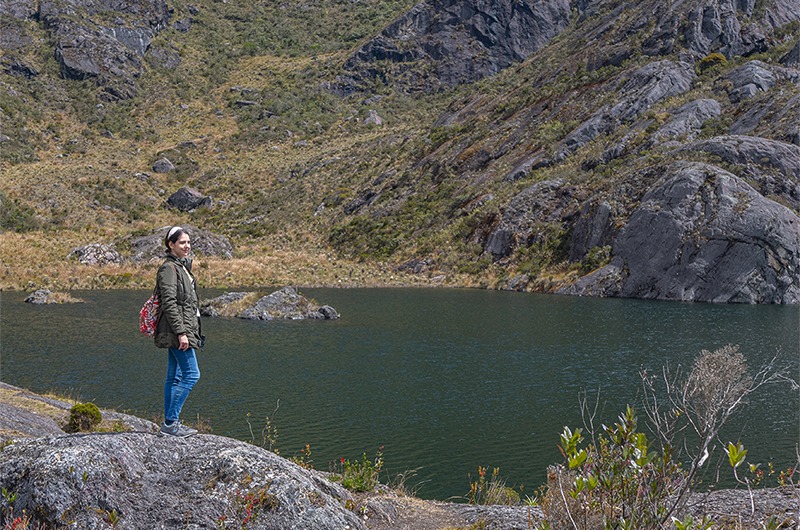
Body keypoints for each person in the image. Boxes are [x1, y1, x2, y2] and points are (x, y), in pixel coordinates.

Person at [154, 226, 204, 437]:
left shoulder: (182, 267)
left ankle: (169, 424)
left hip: (180, 329)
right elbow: (170, 303)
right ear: (171, 244)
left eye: (189, 242)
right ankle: (170, 422)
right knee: (192, 374)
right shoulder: (169, 268)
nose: (187, 246)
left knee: (174, 377)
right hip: (176, 331)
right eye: (182, 242)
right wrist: (182, 332)